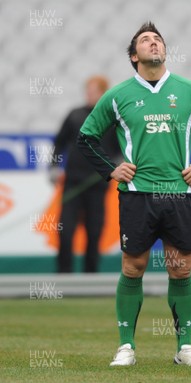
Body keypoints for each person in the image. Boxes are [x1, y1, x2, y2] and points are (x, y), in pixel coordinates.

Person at [77, 22, 191, 366]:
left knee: (180, 268)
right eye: (145, 40)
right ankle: (126, 346)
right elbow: (86, 137)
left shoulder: (190, 91)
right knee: (134, 266)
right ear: (134, 56)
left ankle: (185, 348)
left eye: (158, 39)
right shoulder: (118, 95)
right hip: (136, 193)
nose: (153, 43)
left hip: (179, 193)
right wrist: (110, 169)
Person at [51, 76, 120, 273]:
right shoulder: (75, 115)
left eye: (93, 91)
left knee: (94, 231)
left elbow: (122, 149)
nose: (89, 95)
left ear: (103, 93)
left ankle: (91, 277)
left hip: (98, 185)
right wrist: (54, 167)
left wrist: (119, 160)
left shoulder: (112, 119)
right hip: (73, 183)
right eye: (87, 91)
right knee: (65, 231)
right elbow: (59, 143)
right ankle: (64, 275)